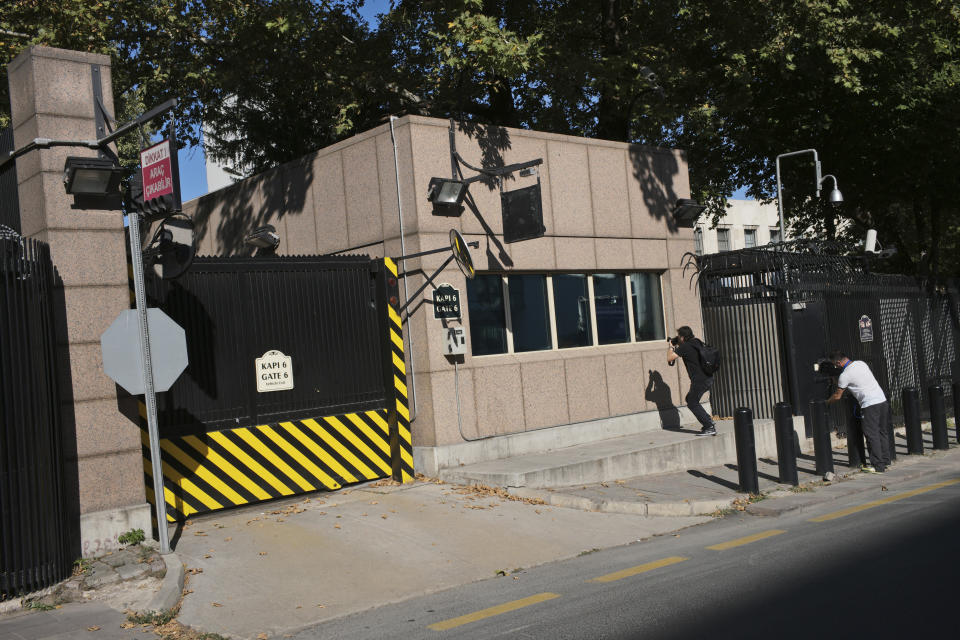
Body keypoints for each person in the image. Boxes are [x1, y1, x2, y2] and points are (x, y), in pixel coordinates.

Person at [826, 350, 892, 473]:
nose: (835, 367)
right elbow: (858, 381)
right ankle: (886, 461)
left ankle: (878, 466)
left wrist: (826, 403)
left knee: (871, 434)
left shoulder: (844, 375)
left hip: (869, 404)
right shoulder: (861, 363)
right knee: (882, 432)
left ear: (839, 363)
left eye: (835, 365)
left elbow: (837, 396)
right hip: (882, 401)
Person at [667, 326, 716, 436]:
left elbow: (670, 358)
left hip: (700, 380)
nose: (678, 338)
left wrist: (671, 347)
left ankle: (709, 426)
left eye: (679, 337)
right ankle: (708, 421)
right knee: (690, 398)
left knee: (692, 402)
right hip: (708, 377)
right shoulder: (696, 342)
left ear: (683, 337)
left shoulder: (685, 347)